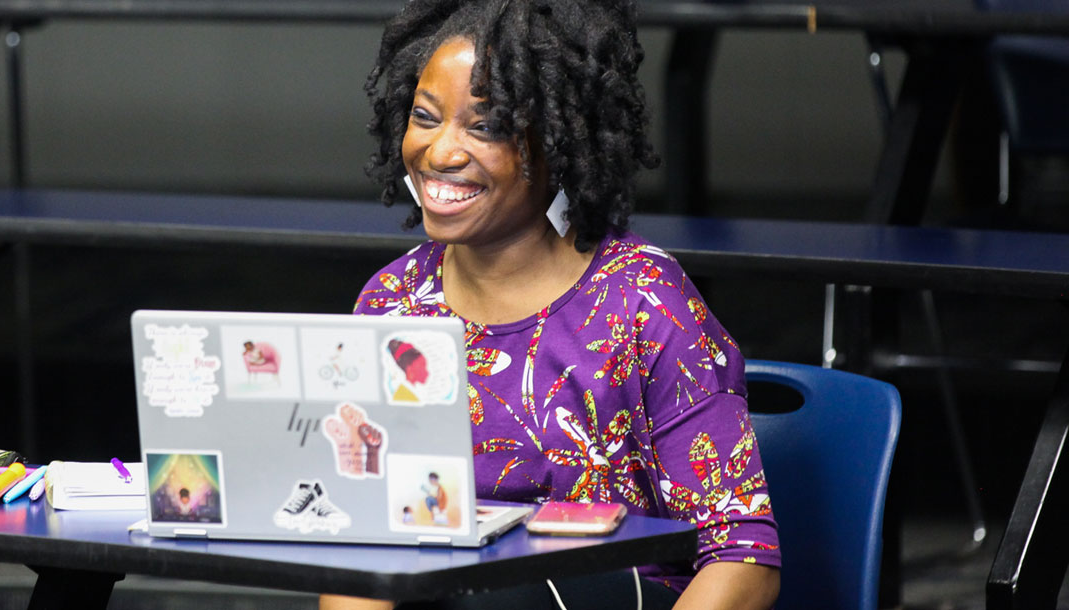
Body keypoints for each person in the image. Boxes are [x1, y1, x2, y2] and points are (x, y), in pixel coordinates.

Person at [326, 1, 781, 608]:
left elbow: (743, 558)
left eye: (484, 127)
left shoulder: (644, 303)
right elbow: (364, 552)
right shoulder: (392, 303)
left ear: (558, 144)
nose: (440, 152)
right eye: (425, 118)